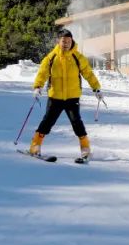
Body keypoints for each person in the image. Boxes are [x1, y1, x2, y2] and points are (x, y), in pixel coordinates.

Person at [28, 29, 104, 160]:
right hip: (55, 97)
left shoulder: (78, 58)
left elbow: (88, 73)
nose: (66, 44)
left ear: (72, 41)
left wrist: (96, 88)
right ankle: (35, 146)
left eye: (68, 41)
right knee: (47, 122)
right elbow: (42, 73)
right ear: (58, 41)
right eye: (63, 41)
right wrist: (37, 87)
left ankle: (85, 149)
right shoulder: (51, 58)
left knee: (77, 122)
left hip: (72, 97)